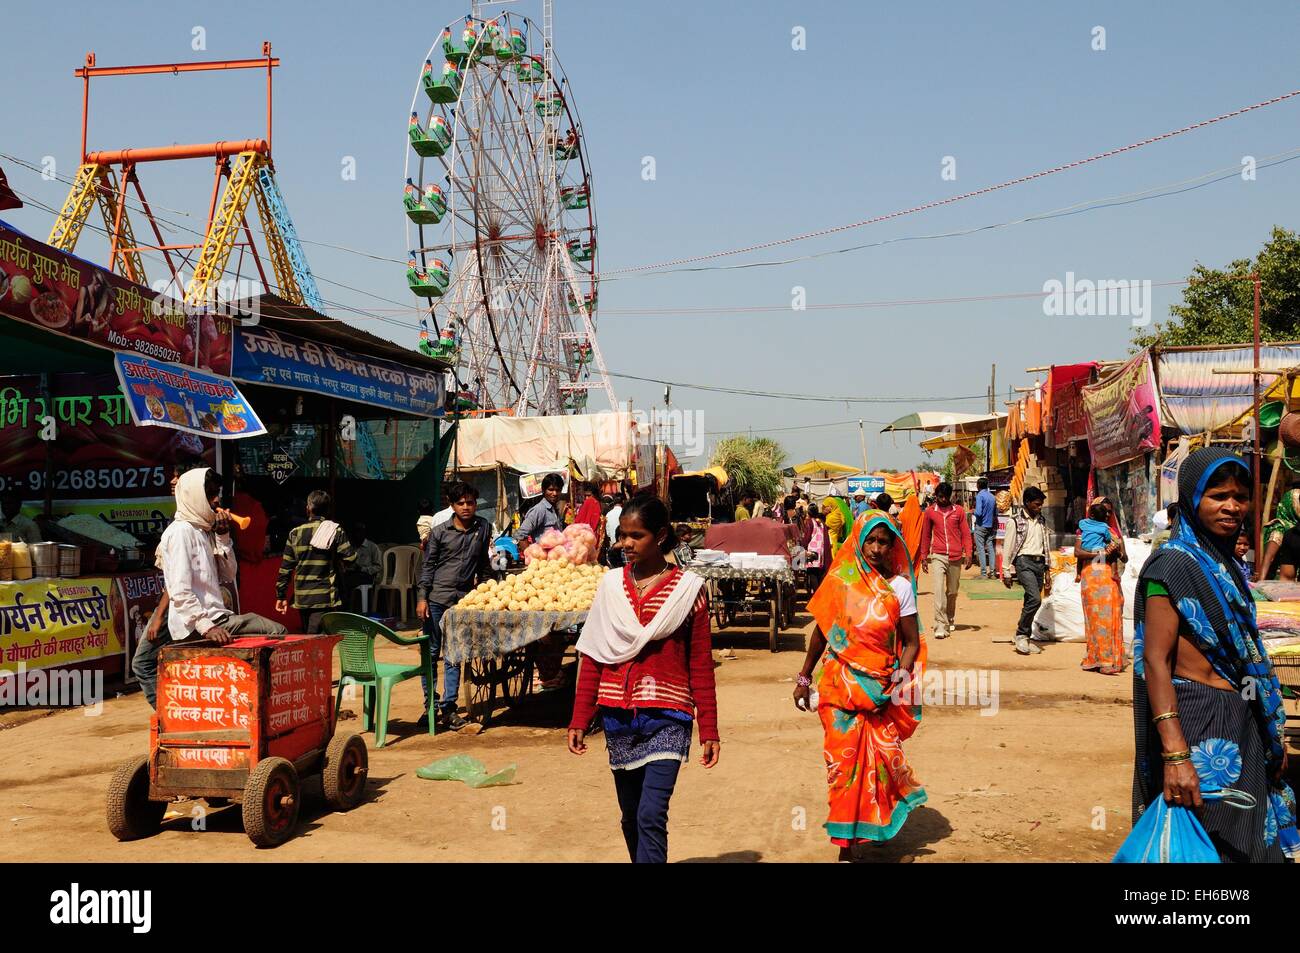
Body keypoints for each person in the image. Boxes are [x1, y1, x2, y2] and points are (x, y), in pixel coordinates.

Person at [1132, 447, 1297, 862]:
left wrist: (1267, 729)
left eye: (1240, 497)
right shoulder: (1170, 566)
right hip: (1197, 722)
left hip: (1241, 714)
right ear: (1192, 498)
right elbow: (1155, 660)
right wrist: (1175, 754)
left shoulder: (1224, 565)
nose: (1232, 507)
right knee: (1207, 841)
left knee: (1251, 843)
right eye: (1218, 495)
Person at [568, 495, 718, 863]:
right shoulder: (611, 587)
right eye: (622, 536)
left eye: (637, 536)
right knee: (631, 816)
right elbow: (594, 654)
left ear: (661, 535)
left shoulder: (689, 591)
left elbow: (700, 663)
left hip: (669, 715)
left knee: (651, 814)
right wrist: (579, 717)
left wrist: (710, 729)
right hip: (618, 716)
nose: (626, 545)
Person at [794, 509, 926, 860]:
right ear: (858, 540)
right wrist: (804, 678)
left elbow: (911, 642)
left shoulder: (900, 588)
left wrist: (900, 679)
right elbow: (821, 633)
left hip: (879, 691)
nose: (877, 549)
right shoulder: (840, 581)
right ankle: (846, 844)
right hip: (839, 688)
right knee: (842, 767)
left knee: (879, 764)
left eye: (885, 542)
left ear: (893, 546)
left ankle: (867, 827)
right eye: (871, 540)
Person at [143, 468, 286, 706]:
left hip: (218, 617)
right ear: (195, 496)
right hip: (202, 624)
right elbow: (179, 590)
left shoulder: (203, 529)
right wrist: (206, 627)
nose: (217, 500)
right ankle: (267, 704)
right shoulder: (180, 533)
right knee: (277, 632)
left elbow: (228, 574)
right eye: (210, 495)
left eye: (216, 494)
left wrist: (223, 536)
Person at [416, 479, 492, 731]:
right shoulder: (439, 532)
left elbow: (483, 564)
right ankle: (430, 706)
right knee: (431, 653)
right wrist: (422, 598)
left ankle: (449, 709)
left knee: (454, 655)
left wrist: (490, 589)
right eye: (460, 503)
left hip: (463, 602)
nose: (466, 507)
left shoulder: (483, 527)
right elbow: (427, 567)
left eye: (470, 502)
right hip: (437, 600)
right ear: (452, 505)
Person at [132, 458, 208, 706]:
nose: (172, 481)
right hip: (192, 609)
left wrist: (159, 615)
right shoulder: (196, 521)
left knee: (143, 663)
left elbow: (177, 583)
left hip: (181, 608)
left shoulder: (183, 528)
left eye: (177, 476)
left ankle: (168, 718)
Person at [275, 490, 359, 634]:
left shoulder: (295, 533)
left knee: (310, 637)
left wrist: (281, 595)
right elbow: (350, 558)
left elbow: (286, 568)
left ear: (308, 508)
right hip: (324, 596)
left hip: (302, 597)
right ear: (328, 509)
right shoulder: (334, 530)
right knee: (317, 641)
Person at [1075, 499, 1127, 675]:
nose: (1107, 515)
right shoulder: (1086, 530)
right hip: (1091, 576)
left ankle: (1109, 660)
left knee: (1110, 616)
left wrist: (1116, 550)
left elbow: (1123, 557)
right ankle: (1098, 659)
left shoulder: (1111, 532)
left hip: (1107, 578)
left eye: (1110, 512)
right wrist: (1099, 553)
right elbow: (1078, 553)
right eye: (1105, 511)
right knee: (1094, 617)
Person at [917, 481, 972, 640]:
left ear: (950, 496)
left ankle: (949, 616)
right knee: (939, 591)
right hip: (938, 555)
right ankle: (940, 624)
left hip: (955, 556)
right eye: (939, 496)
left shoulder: (959, 511)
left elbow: (966, 534)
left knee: (952, 591)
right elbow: (926, 535)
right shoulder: (929, 512)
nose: (942, 500)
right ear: (936, 496)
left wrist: (968, 553)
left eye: (945, 497)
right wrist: (924, 556)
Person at [1001, 486, 1050, 655]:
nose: (1039, 507)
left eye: (1041, 504)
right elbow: (1008, 547)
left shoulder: (1042, 520)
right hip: (1024, 562)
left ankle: (1025, 637)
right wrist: (1006, 571)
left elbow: (1046, 545)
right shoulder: (1015, 521)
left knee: (1030, 600)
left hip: (1039, 563)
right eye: (1037, 504)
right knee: (1035, 599)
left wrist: (1047, 570)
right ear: (1027, 503)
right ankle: (1021, 634)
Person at [1255, 482, 1300, 581]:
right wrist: (1261, 582)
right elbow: (1269, 557)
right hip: (1280, 580)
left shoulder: (1296, 527)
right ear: (1290, 505)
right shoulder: (1280, 527)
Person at [516, 472, 565, 542]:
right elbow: (520, 535)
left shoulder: (555, 509)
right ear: (543, 490)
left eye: (558, 490)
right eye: (551, 490)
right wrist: (530, 552)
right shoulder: (539, 510)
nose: (555, 493)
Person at [972, 478, 998, 580]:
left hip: (981, 525)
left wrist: (973, 511)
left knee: (981, 549)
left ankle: (983, 573)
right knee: (990, 548)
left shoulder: (979, 496)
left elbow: (978, 513)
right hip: (990, 526)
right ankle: (992, 573)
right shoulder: (992, 496)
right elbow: (996, 513)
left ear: (978, 485)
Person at [801, 503, 828, 589]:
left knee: (812, 573)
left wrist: (803, 546)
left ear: (808, 513)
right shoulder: (821, 522)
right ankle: (819, 594)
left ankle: (816, 595)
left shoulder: (810, 522)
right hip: (821, 550)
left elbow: (807, 537)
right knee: (819, 574)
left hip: (812, 551)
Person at [605, 494, 624, 568]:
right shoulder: (624, 512)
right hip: (622, 545)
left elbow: (608, 532)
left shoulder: (608, 514)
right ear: (622, 502)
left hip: (613, 544)